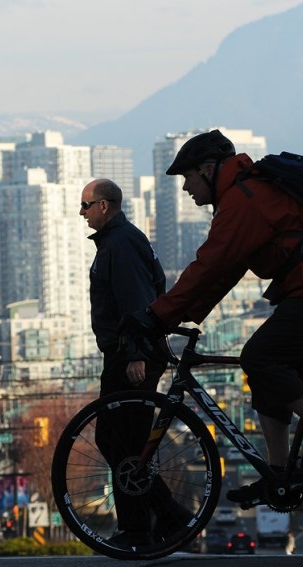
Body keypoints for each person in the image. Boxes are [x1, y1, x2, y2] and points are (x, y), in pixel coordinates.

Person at [120, 130, 303, 506]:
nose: (186, 188)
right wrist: (174, 316)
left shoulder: (243, 200)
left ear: (207, 169)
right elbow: (225, 272)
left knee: (260, 358)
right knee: (269, 381)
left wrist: (156, 316)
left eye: (187, 178)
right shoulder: (243, 195)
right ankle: (279, 475)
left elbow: (210, 265)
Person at [81, 178, 188, 546]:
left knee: (121, 442)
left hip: (132, 356)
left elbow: (137, 302)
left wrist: (136, 354)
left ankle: (145, 524)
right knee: (122, 441)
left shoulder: (122, 244)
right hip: (126, 353)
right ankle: (154, 520)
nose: (82, 213)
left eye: (86, 205)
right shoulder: (117, 241)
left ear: (105, 206)